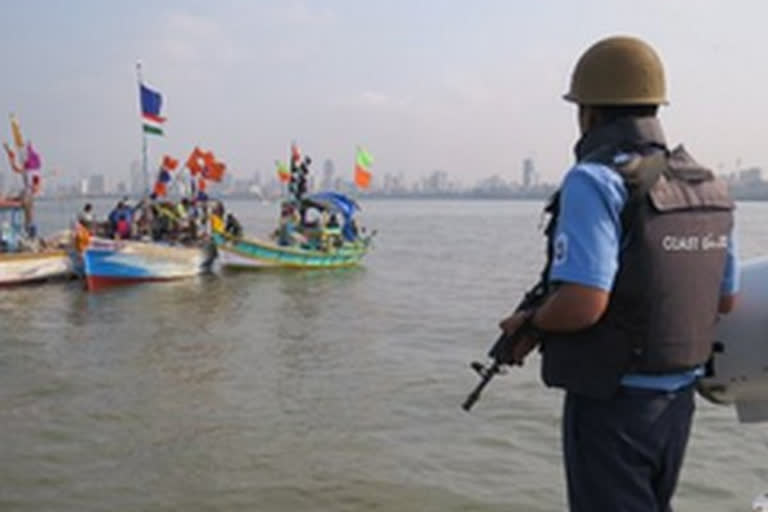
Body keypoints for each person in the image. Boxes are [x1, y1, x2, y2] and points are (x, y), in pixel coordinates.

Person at [497, 35, 739, 511]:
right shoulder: (708, 185)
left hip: (614, 402)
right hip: (677, 402)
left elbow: (585, 302)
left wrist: (530, 322)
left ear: (588, 112)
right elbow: (725, 300)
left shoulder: (597, 180)